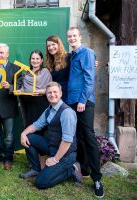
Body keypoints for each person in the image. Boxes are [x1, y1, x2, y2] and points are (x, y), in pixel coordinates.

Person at [20, 82, 81, 189]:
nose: (52, 95)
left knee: (41, 183)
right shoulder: (49, 110)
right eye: (49, 93)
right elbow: (36, 125)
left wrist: (55, 159)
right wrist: (23, 133)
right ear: (46, 95)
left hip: (65, 154)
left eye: (55, 92)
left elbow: (67, 141)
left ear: (61, 93)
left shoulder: (66, 112)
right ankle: (35, 169)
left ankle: (71, 170)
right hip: (52, 147)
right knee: (29, 138)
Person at [67, 27, 104, 198]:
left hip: (84, 102)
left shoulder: (87, 52)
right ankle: (85, 169)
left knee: (88, 137)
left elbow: (89, 79)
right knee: (79, 136)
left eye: (74, 36)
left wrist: (82, 100)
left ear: (80, 37)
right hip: (72, 101)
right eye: (69, 36)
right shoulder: (72, 56)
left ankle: (97, 179)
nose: (72, 38)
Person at [15, 49, 52, 169]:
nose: (35, 61)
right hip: (28, 106)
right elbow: (23, 89)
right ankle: (33, 163)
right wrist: (20, 90)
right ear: (30, 60)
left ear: (41, 60)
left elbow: (51, 88)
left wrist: (41, 91)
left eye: (37, 58)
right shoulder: (26, 73)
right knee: (28, 131)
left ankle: (41, 164)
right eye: (33, 58)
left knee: (40, 133)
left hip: (41, 104)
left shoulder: (46, 72)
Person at [45, 35, 69, 102]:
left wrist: (92, 63)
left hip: (67, 96)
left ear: (59, 45)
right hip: (55, 96)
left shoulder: (68, 57)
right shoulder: (50, 63)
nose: (51, 47)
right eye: (48, 46)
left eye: (53, 44)